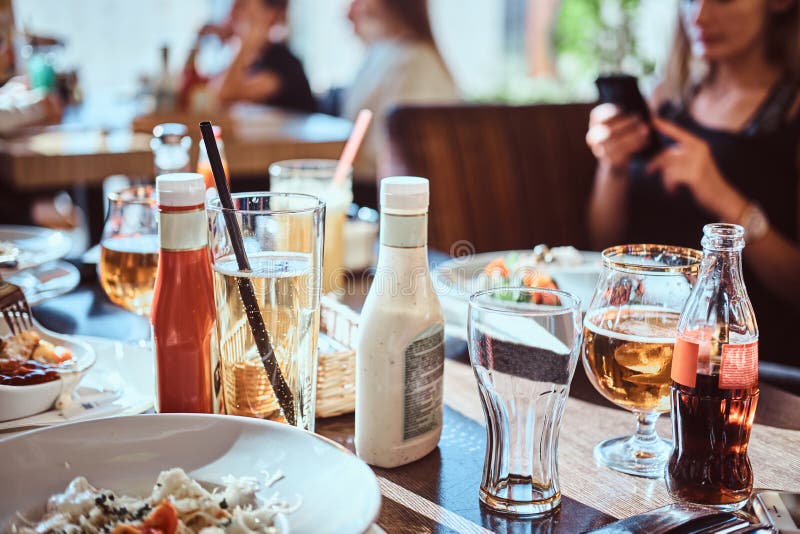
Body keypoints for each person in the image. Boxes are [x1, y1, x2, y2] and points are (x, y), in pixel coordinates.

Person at [585, 0, 800, 367]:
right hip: (646, 343)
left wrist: (723, 196)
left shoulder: (791, 115)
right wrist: (613, 167)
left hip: (745, 366)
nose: (698, 16)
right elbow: (603, 246)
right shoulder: (667, 99)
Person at [343, 0, 459, 182]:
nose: (351, 10)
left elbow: (404, 154)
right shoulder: (383, 52)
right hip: (367, 181)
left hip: (389, 190)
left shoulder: (415, 61)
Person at [213, 0, 316, 113]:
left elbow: (226, 94)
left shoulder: (282, 62)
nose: (231, 13)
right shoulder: (255, 59)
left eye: (242, 5)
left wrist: (245, 44)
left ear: (270, 14)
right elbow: (213, 93)